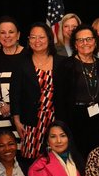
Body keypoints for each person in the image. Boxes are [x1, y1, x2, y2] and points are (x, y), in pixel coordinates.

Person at [12, 23, 70, 160]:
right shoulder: (21, 63)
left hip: (57, 119)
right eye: (33, 37)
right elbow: (15, 93)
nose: (37, 41)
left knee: (57, 160)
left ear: (49, 39)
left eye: (41, 37)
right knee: (33, 161)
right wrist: (16, 120)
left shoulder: (63, 62)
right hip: (32, 121)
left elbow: (68, 94)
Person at [63, 26, 99, 157]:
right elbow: (61, 97)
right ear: (75, 44)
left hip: (98, 117)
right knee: (79, 156)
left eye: (89, 39)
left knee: (97, 155)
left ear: (95, 42)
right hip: (75, 118)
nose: (85, 43)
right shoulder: (67, 65)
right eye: (81, 40)